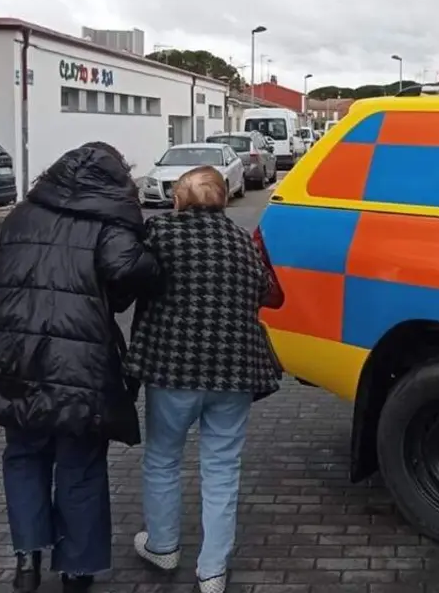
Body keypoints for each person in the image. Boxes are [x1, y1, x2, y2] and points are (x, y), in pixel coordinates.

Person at [0, 142, 159, 593]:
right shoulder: (107, 222)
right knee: (80, 462)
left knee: (24, 453)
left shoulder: (22, 215)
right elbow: (128, 270)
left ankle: (27, 558)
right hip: (78, 362)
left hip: (12, 356)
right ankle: (76, 569)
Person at [123, 165, 283, 593]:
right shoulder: (240, 239)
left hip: (173, 369)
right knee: (222, 468)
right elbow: (267, 293)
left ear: (180, 199)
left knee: (162, 458)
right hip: (234, 373)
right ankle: (212, 570)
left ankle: (162, 544)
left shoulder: (162, 234)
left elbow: (133, 279)